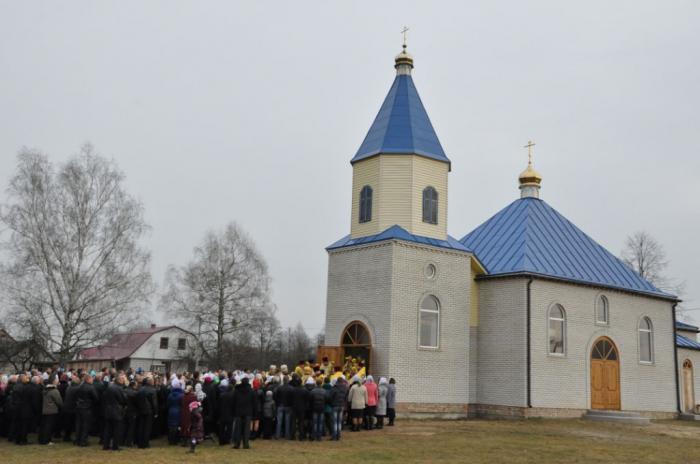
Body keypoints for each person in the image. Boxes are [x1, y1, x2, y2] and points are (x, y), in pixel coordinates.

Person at [102, 373, 127, 451]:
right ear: (120, 380)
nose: (124, 381)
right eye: (123, 379)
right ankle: (115, 446)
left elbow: (104, 397)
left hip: (108, 410)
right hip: (116, 410)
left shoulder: (109, 387)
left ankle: (106, 445)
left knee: (108, 429)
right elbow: (123, 400)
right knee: (117, 430)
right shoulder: (119, 388)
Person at [74, 373, 98, 447]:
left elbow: (76, 395)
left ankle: (77, 440)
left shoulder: (80, 386)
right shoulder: (91, 387)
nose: (92, 380)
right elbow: (96, 398)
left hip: (79, 407)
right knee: (85, 425)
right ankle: (83, 441)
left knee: (78, 424)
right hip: (87, 408)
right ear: (88, 379)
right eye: (91, 379)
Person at [232, 376, 255, 449]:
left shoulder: (236, 390)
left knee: (238, 429)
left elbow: (233, 401)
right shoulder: (251, 391)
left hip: (238, 411)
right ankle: (246, 444)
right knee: (246, 429)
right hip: (248, 412)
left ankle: (237, 444)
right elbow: (254, 402)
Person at [39, 376, 63, 445]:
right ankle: (47, 440)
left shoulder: (45, 389)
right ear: (53, 381)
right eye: (56, 380)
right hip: (52, 410)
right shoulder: (54, 391)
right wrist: (61, 407)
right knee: (49, 427)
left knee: (44, 426)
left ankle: (42, 439)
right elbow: (59, 401)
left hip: (45, 410)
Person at [135, 376, 157, 449]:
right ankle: (145, 443)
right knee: (147, 428)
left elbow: (137, 400)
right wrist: (156, 412)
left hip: (140, 410)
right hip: (149, 411)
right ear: (151, 382)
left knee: (141, 427)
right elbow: (154, 403)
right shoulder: (153, 390)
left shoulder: (140, 389)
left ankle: (139, 442)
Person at [329, 376, 348, 440]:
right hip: (342, 405)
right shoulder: (345, 388)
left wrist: (331, 403)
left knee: (334, 422)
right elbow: (346, 397)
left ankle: (334, 435)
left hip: (334, 405)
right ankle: (338, 435)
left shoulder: (334, 388)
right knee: (339, 421)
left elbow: (330, 397)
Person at [166, 378, 184, 445]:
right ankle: (176, 440)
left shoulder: (170, 395)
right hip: (179, 411)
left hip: (171, 411)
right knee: (177, 425)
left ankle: (170, 440)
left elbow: (167, 403)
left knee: (171, 425)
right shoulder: (182, 395)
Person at [290, 374, 308, 441]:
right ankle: (301, 436)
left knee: (293, 422)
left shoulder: (292, 390)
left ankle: (292, 436)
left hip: (294, 407)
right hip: (302, 408)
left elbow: (290, 399)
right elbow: (307, 400)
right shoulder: (305, 390)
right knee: (301, 422)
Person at [62, 375, 79, 443]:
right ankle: (67, 437)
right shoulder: (76, 389)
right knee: (71, 424)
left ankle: (66, 436)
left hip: (66, 407)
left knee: (67, 423)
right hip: (72, 408)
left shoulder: (69, 387)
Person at [217, 379, 234, 445]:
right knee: (229, 428)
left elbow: (219, 405)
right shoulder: (232, 396)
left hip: (222, 413)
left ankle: (221, 440)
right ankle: (227, 440)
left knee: (222, 428)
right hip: (230, 413)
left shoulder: (222, 395)